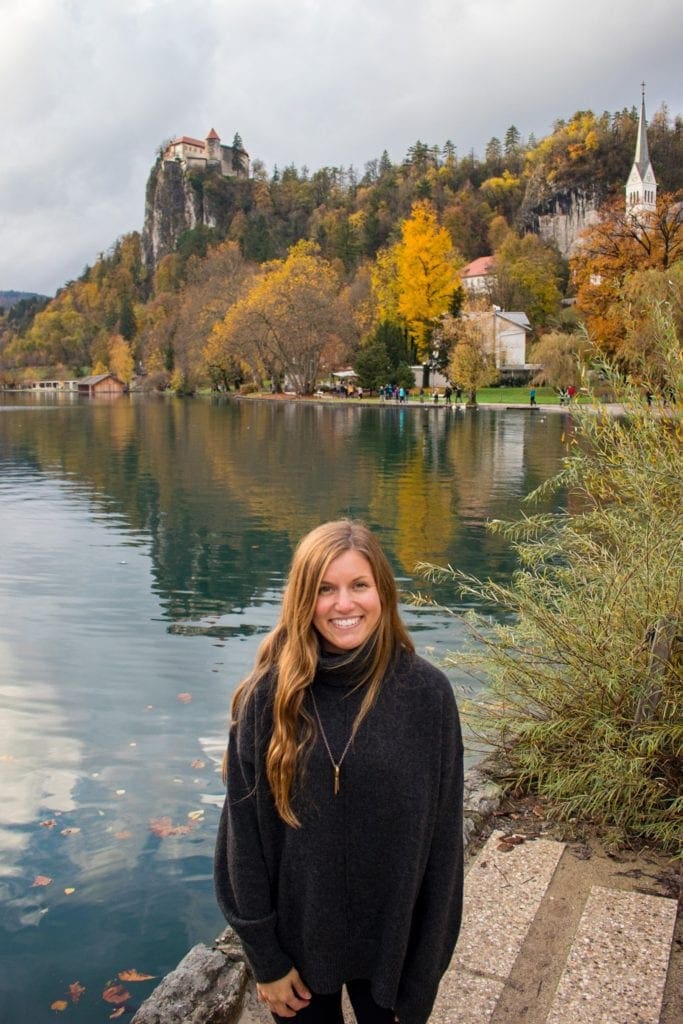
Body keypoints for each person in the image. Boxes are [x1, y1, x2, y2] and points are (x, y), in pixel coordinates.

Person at [215, 520, 464, 1024]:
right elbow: (242, 841)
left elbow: (443, 847)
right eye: (324, 589)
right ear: (302, 599)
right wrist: (265, 958)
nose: (343, 605)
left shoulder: (427, 696)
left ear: (383, 593)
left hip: (394, 952)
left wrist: (422, 982)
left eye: (358, 586)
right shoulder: (267, 698)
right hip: (296, 953)